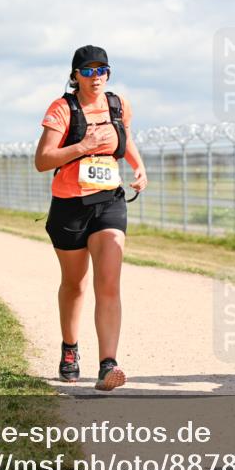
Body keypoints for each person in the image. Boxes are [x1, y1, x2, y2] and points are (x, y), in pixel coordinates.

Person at [34, 45, 147, 391]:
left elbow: (124, 140)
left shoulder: (117, 105)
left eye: (102, 70)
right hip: (70, 206)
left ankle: (107, 364)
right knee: (75, 283)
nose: (95, 77)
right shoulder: (62, 109)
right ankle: (70, 349)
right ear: (75, 76)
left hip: (109, 202)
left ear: (108, 73)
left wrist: (139, 166)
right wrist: (83, 146)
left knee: (109, 282)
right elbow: (43, 160)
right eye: (88, 71)